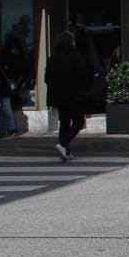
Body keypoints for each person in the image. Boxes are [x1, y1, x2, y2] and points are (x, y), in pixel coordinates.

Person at [45, 31, 92, 161]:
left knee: (64, 123)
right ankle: (63, 144)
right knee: (78, 121)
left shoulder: (52, 58)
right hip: (73, 95)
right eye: (73, 40)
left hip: (58, 97)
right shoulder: (75, 56)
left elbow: (46, 78)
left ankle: (66, 151)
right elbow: (83, 75)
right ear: (70, 42)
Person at [0, 36, 16, 138]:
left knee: (6, 107)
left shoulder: (4, 57)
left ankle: (11, 128)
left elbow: (10, 70)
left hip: (2, 86)